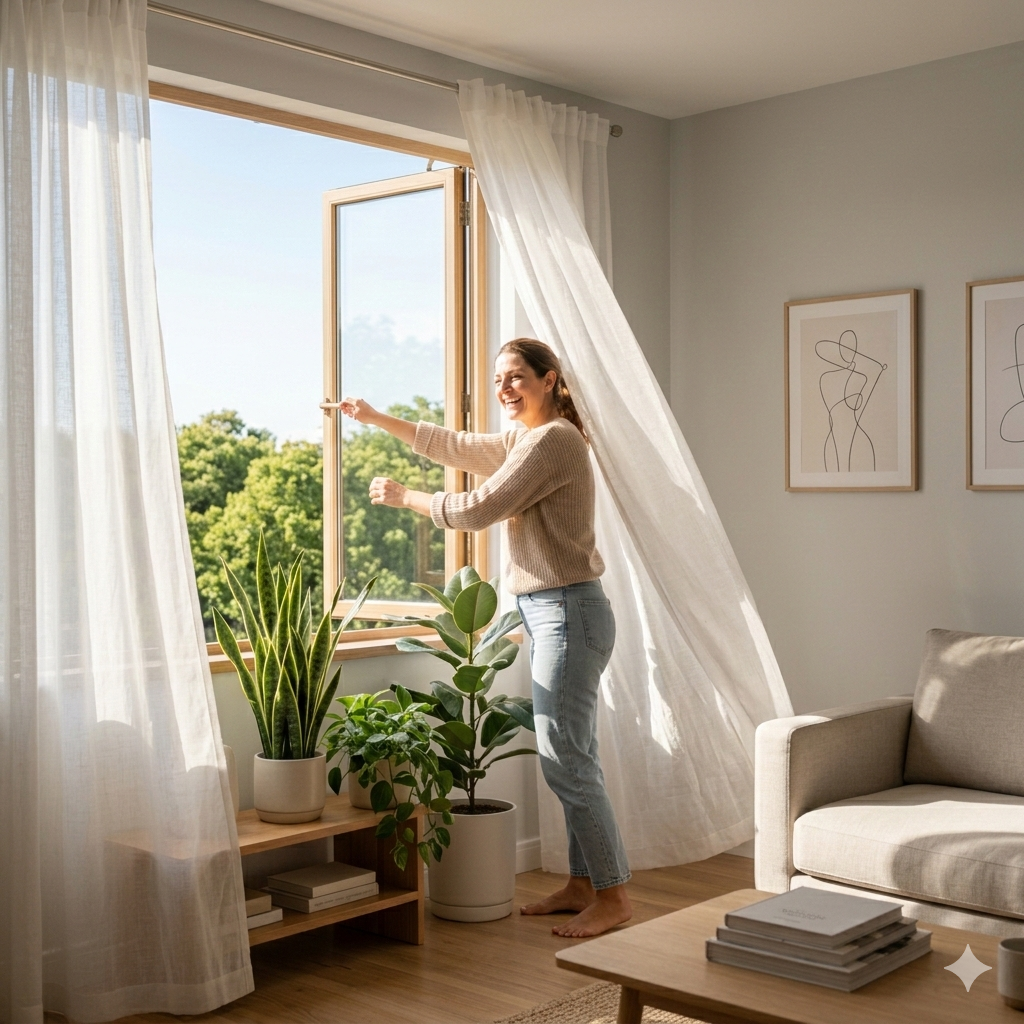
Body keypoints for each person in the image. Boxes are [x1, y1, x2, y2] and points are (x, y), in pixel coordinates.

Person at [339, 337, 632, 938]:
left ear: (550, 380)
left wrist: (407, 497)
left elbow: (478, 507)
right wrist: (374, 417)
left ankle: (615, 896)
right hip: (552, 611)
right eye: (499, 378)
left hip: (567, 612)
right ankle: (583, 884)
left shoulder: (554, 441)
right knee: (574, 756)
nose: (505, 388)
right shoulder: (525, 440)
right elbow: (454, 445)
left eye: (517, 376)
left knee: (567, 761)